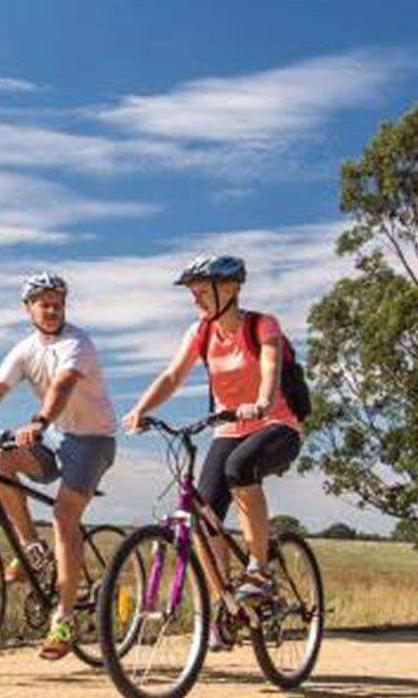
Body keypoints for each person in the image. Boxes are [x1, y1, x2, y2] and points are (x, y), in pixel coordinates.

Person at [0, 272, 119, 660]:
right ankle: (32, 547)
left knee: (65, 517)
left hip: (93, 439)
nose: (51, 308)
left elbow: (63, 386)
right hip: (54, 436)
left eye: (57, 302)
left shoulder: (76, 343)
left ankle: (63, 618)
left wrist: (39, 422)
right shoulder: (25, 349)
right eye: (43, 302)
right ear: (27, 308)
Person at [120, 254, 303, 609]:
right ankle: (223, 606)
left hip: (276, 426)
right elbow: (172, 376)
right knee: (203, 517)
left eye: (203, 290)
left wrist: (262, 402)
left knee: (239, 468)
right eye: (193, 292)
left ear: (231, 288)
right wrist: (141, 408)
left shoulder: (263, 325)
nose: (195, 299)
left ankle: (258, 569)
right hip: (228, 430)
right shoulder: (200, 332)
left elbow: (270, 371)